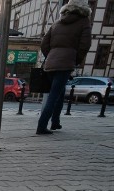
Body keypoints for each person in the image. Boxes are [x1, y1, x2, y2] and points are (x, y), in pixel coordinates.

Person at [36, 0, 91, 135]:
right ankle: (41, 126)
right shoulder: (84, 22)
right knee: (54, 95)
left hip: (51, 62)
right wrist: (75, 59)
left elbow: (44, 43)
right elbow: (85, 44)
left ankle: (55, 122)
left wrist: (51, 56)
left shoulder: (57, 22)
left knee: (59, 94)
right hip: (66, 62)